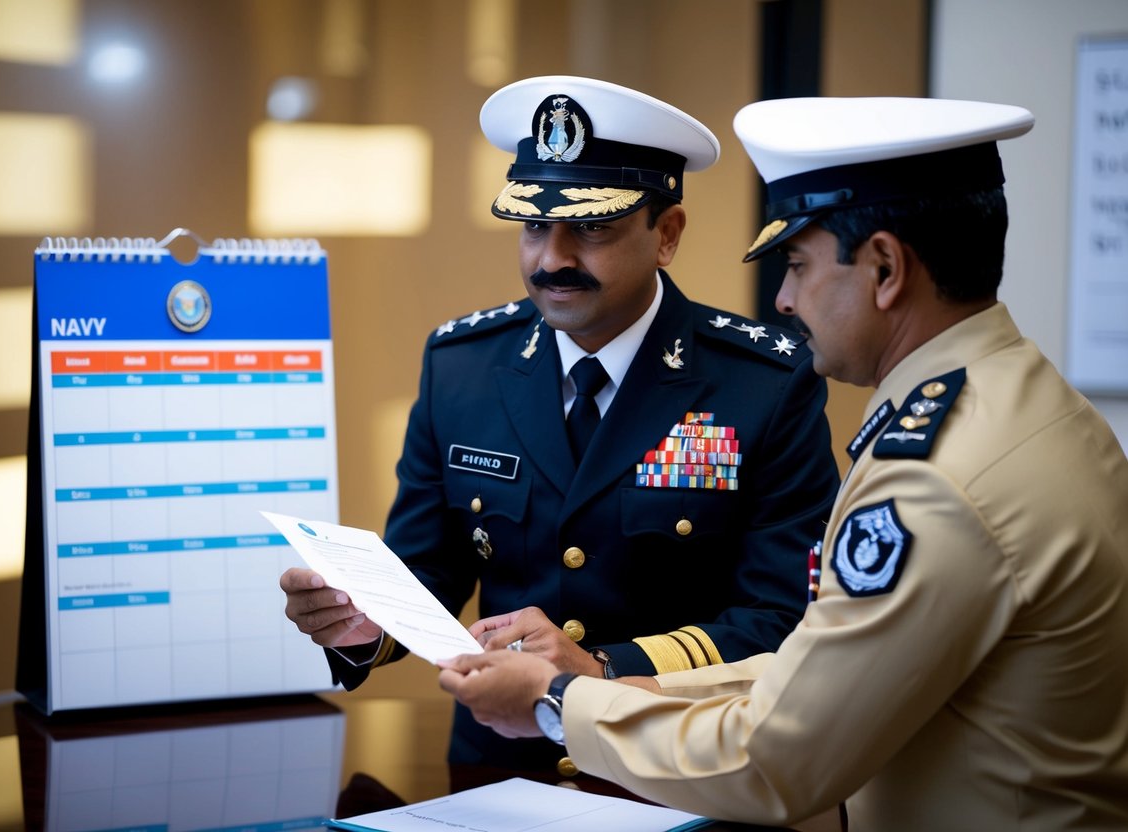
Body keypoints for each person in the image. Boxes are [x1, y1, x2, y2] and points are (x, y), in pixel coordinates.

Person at [437, 96, 1128, 830]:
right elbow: (815, 677)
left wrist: (556, 706)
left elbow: (776, 756)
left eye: (797, 263)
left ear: (886, 268)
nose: (785, 299)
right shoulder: (1021, 400)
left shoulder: (937, 477)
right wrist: (593, 678)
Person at [280, 76, 839, 772]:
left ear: (665, 234)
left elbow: (784, 617)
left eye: (592, 227)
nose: (552, 260)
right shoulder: (462, 364)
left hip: (674, 768)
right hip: (493, 772)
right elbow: (427, 566)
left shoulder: (762, 382)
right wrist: (365, 621)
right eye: (534, 226)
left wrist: (598, 669)